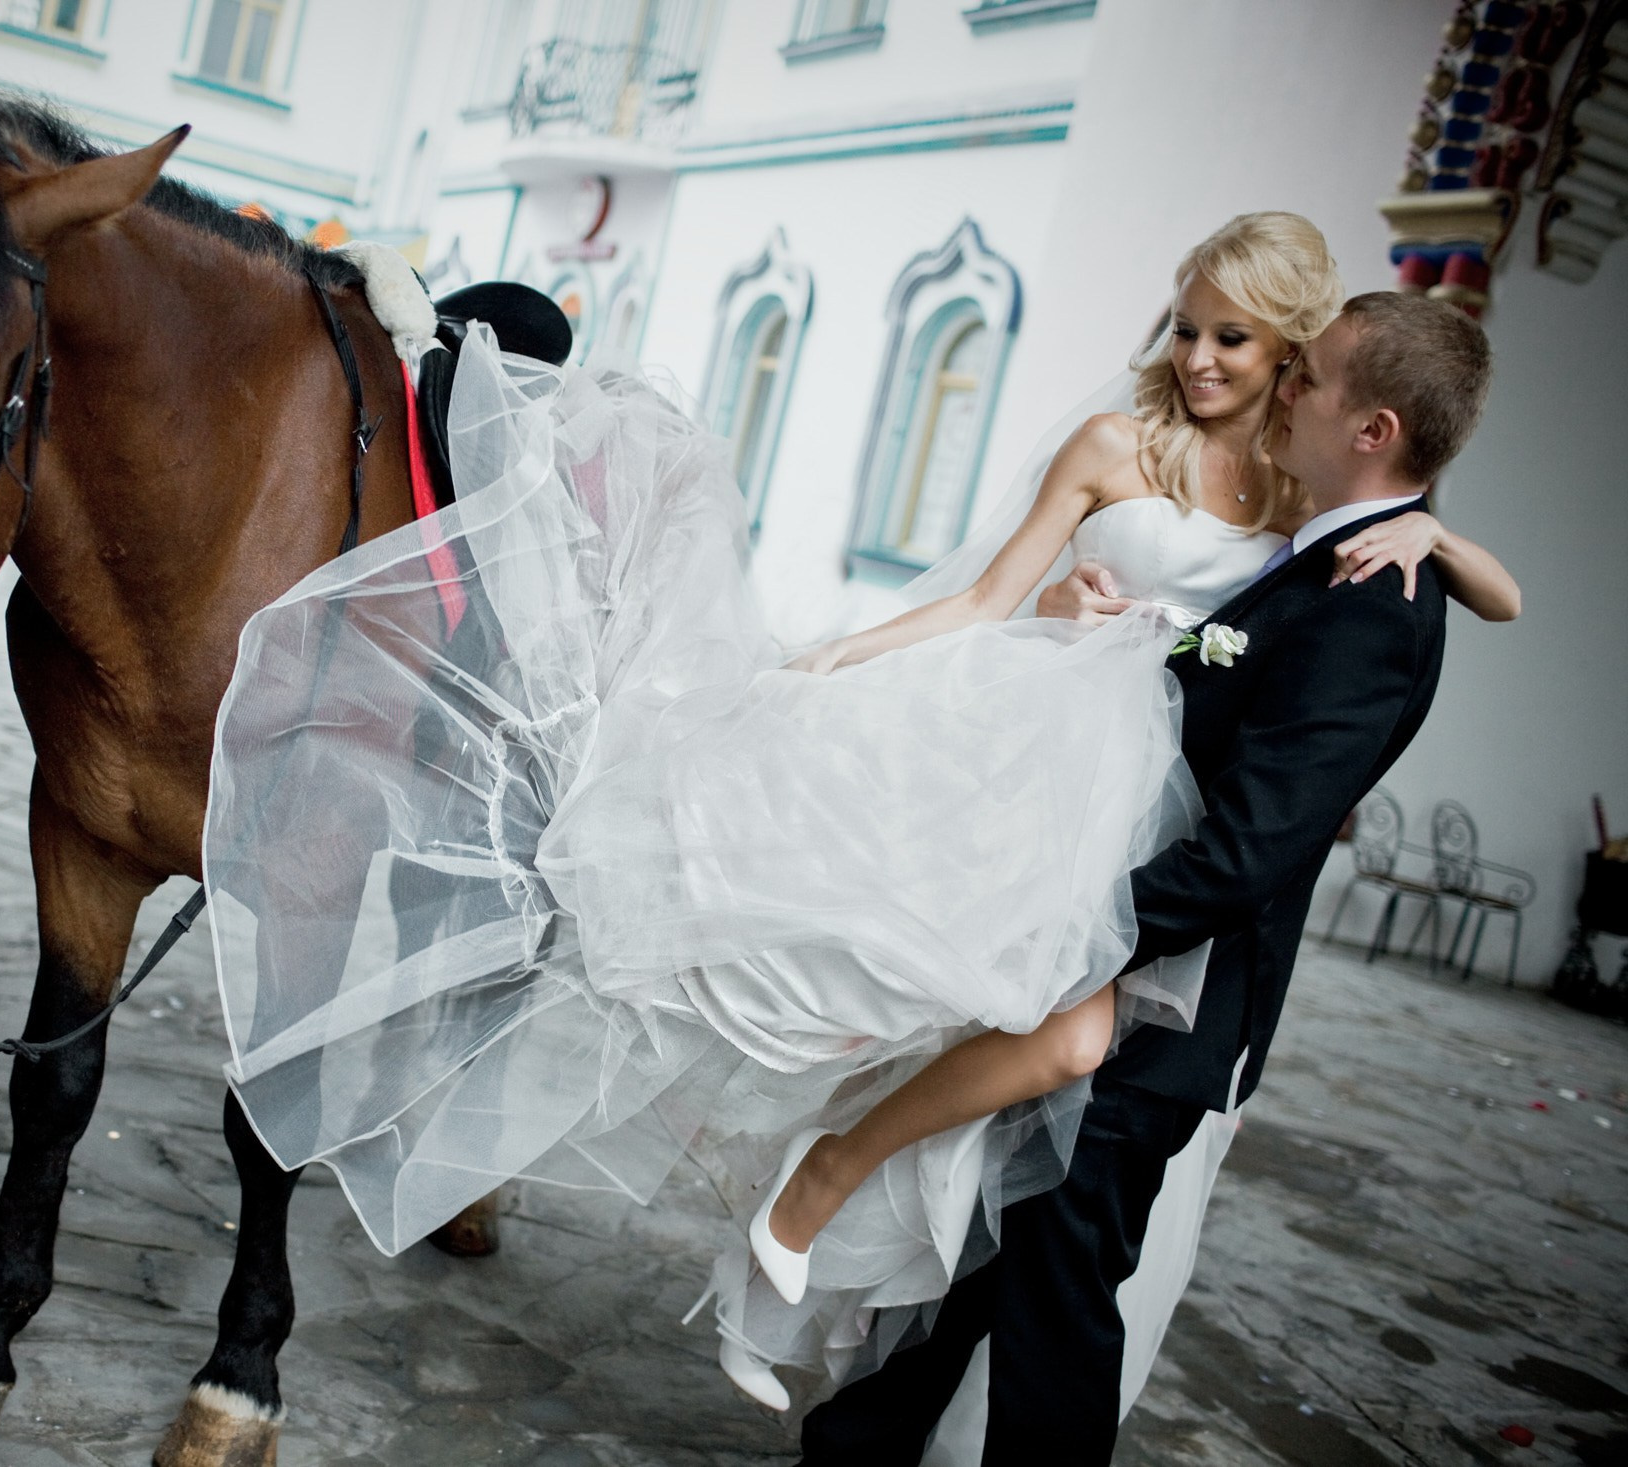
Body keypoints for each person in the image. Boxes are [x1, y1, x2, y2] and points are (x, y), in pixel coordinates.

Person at [197, 215, 1508, 1424]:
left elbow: (1429, 581)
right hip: (1059, 752)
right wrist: (833, 663)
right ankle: (816, 1212)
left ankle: (832, 1231)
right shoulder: (1124, 445)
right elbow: (993, 595)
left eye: (1234, 335)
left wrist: (1437, 544)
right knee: (901, 977)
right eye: (1185, 325)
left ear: (1294, 359)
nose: (1200, 354)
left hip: (1151, 813)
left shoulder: (1306, 495)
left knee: (1051, 1054)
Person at [794, 287, 1494, 1462]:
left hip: (1167, 1010)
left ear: (1372, 430)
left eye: (1308, 375)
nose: (1283, 386)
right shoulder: (1320, 562)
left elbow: (1247, 853)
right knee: (1004, 1251)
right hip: (1129, 990)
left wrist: (1058, 935)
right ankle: (856, 1446)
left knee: (1057, 1303)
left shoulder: (1372, 605)